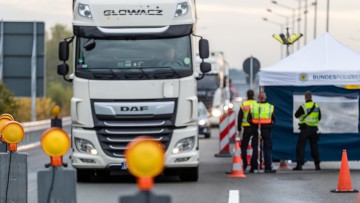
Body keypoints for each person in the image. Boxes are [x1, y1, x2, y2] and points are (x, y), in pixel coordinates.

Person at [248, 92, 276, 173]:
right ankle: (268, 168)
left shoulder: (253, 106)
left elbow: (249, 119)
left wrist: (253, 127)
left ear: (258, 97)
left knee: (256, 148)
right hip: (267, 130)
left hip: (257, 129)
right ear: (265, 97)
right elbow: (274, 119)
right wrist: (270, 127)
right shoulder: (270, 107)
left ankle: (253, 167)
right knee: (267, 149)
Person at [293, 91, 321, 171]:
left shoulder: (303, 106)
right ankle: (317, 165)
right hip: (314, 129)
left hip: (305, 129)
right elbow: (319, 117)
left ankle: (299, 165)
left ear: (305, 97)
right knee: (314, 147)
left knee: (301, 147)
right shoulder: (316, 106)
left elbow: (296, 115)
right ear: (311, 97)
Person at [237, 89, 258, 172]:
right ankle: (254, 166)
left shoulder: (243, 104)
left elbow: (240, 117)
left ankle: (245, 164)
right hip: (255, 127)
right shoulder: (257, 104)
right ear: (253, 95)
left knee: (244, 147)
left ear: (247, 95)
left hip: (246, 128)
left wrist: (239, 128)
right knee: (255, 146)